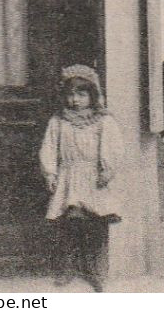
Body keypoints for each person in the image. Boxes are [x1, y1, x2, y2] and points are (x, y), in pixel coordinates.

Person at [39, 65, 123, 291]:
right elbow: (49, 147)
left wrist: (107, 170)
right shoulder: (59, 121)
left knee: (95, 224)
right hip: (69, 177)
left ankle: (95, 270)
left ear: (92, 95)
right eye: (70, 95)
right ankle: (69, 267)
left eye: (81, 94)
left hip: (93, 178)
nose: (75, 100)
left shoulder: (103, 121)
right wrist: (50, 172)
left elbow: (113, 147)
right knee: (70, 223)